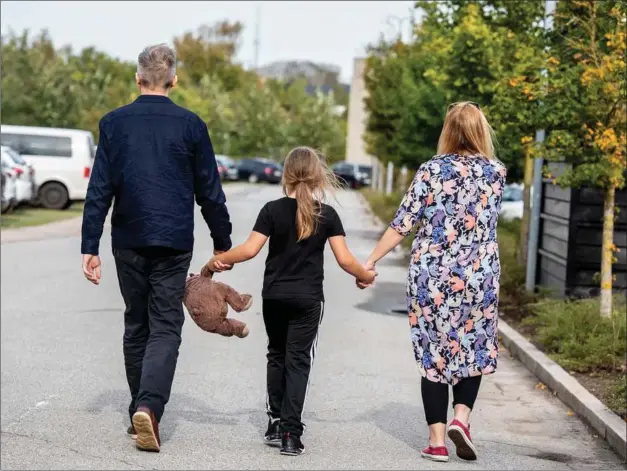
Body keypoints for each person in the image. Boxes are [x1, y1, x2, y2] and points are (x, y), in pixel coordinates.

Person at [80, 44, 232, 453]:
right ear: (174, 79)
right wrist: (223, 242)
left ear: (138, 78)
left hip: (128, 239)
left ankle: (138, 410)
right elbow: (209, 190)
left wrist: (89, 245)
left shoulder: (113, 123)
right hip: (173, 240)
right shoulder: (191, 124)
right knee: (165, 326)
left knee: (136, 324)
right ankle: (148, 405)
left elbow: (99, 189)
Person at [205, 147, 376, 456]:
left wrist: (220, 260)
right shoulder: (327, 214)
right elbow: (345, 260)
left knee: (276, 355)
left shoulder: (272, 210)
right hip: (308, 300)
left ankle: (274, 422)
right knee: (298, 360)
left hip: (274, 296)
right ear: (318, 177)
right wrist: (365, 275)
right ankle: (290, 435)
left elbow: (249, 250)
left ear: (285, 176)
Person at [360, 102, 506, 462]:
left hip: (433, 277)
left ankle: (438, 442)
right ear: (481, 131)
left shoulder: (431, 171)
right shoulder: (497, 172)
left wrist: (371, 260)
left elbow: (403, 223)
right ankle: (462, 418)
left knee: (434, 355)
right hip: (479, 275)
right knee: (474, 348)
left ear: (448, 131)